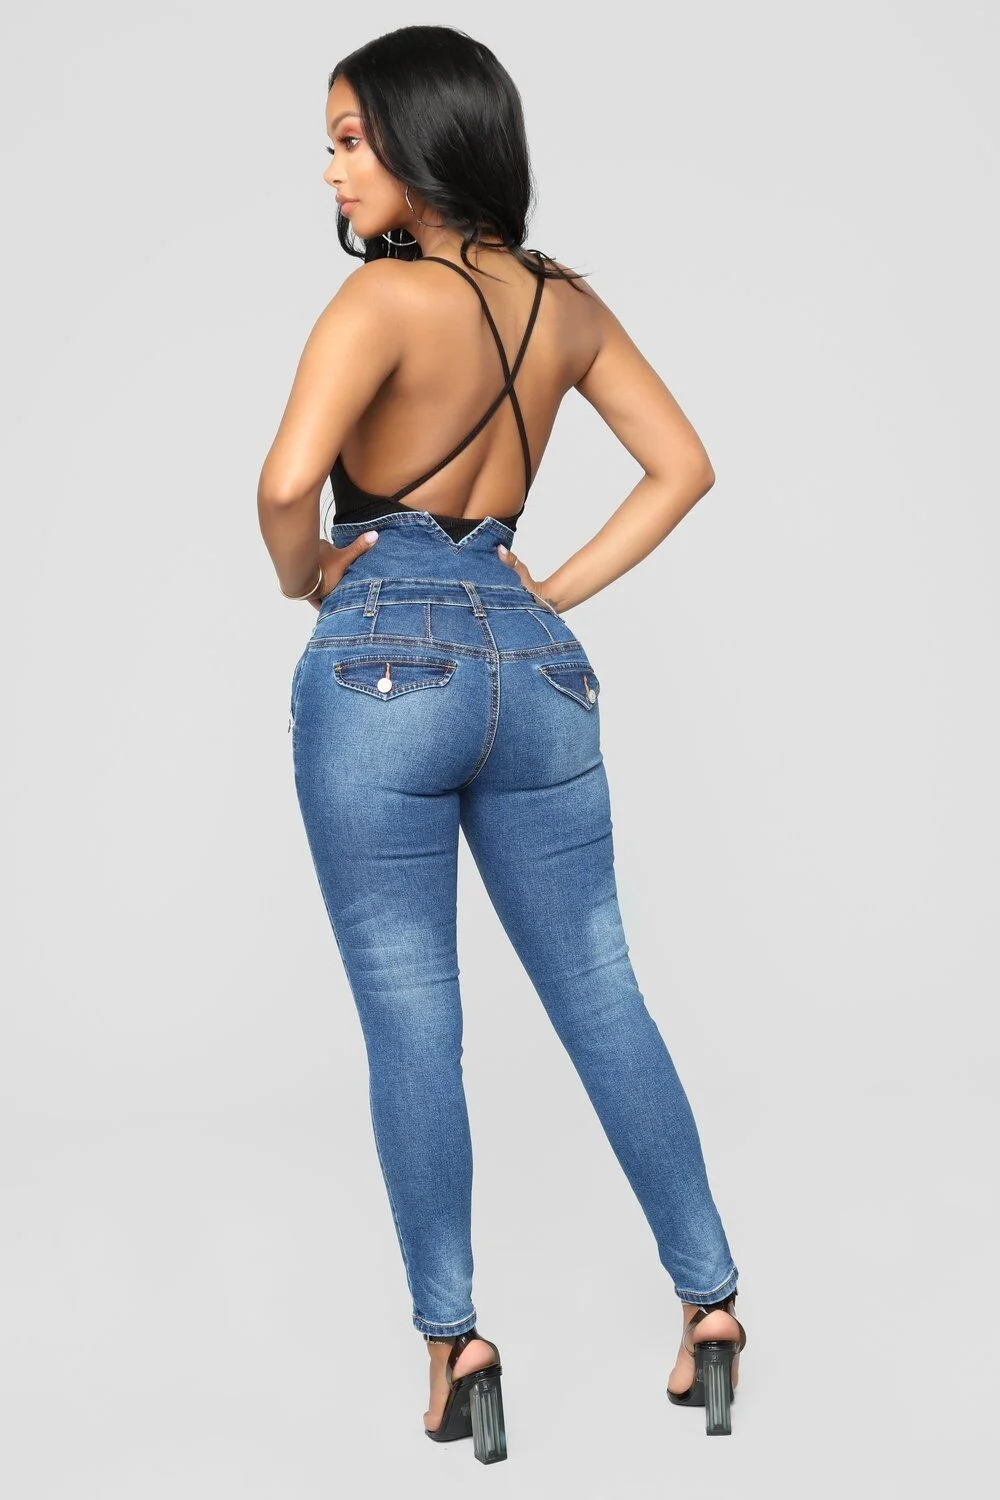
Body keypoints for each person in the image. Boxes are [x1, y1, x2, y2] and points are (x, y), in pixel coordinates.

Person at [257, 24, 748, 1454]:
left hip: (383, 657)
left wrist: (305, 576)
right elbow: (683, 466)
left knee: (414, 1016)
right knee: (603, 993)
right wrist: (546, 593)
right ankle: (712, 1306)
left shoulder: (381, 299)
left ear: (423, 144)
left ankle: (456, 1348)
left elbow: (288, 485)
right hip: (533, 665)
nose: (332, 169)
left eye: (351, 139)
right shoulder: (565, 306)